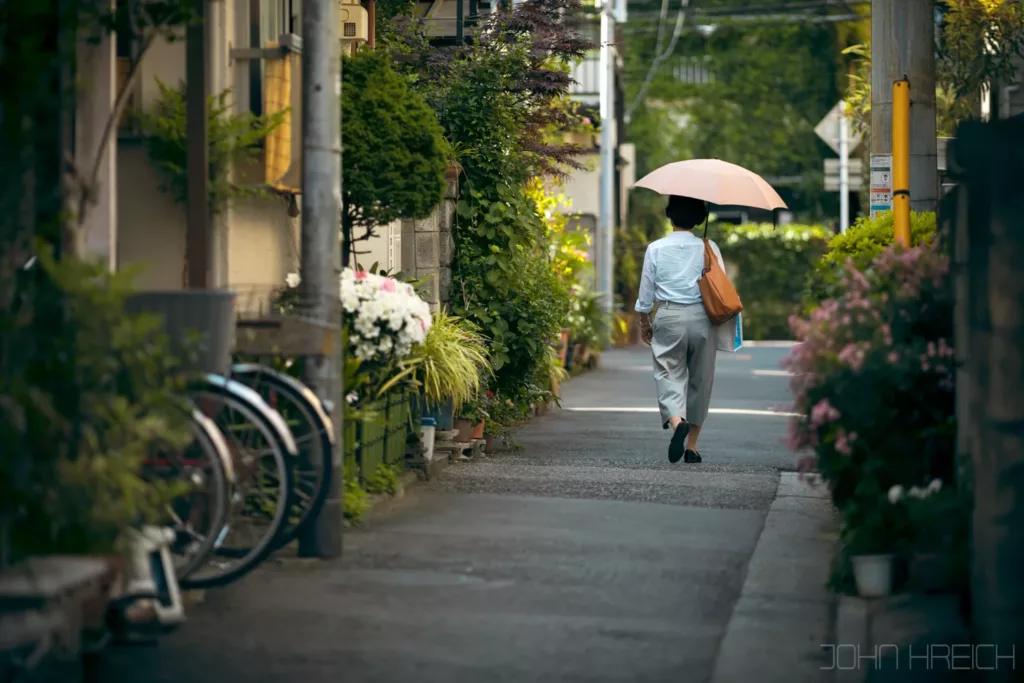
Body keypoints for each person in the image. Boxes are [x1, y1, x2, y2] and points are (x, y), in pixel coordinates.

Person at [634, 194, 736, 464]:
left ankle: (677, 420)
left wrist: (645, 323)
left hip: (668, 315)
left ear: (670, 215)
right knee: (701, 381)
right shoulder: (708, 246)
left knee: (668, 371)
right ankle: (691, 447)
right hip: (703, 318)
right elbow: (721, 285)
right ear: (700, 218)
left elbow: (645, 294)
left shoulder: (655, 248)